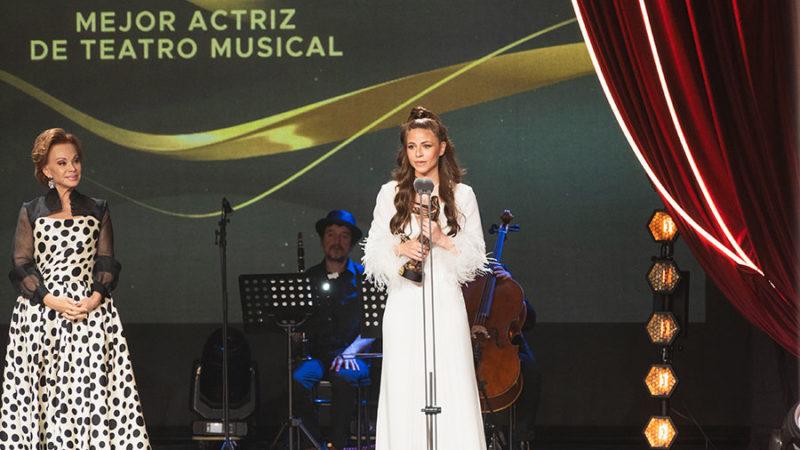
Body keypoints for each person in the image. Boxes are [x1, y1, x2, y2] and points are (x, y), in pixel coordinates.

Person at [2, 128, 150, 447]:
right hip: (43, 315)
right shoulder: (32, 210)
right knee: (46, 395)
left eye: (76, 160)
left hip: (90, 315)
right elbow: (21, 264)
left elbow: (106, 259)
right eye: (63, 162)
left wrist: (95, 297)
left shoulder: (97, 207)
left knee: (92, 393)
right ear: (46, 170)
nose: (72, 168)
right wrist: (49, 299)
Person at [363, 106, 489, 449]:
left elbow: (476, 260)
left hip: (445, 303)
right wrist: (399, 250)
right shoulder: (390, 193)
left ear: (442, 147)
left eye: (426, 145)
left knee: (451, 384)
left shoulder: (463, 195)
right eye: (412, 146)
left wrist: (442, 239)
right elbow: (372, 255)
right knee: (404, 386)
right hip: (404, 303)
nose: (419, 153)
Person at [293, 209, 375, 450]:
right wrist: (295, 334)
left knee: (343, 377)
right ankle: (314, 444)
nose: (336, 242)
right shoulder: (309, 278)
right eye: (331, 235)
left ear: (351, 243)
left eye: (343, 236)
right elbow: (300, 324)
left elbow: (373, 326)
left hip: (353, 355)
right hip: (318, 357)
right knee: (297, 380)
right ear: (322, 240)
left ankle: (338, 445)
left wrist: (351, 352)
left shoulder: (365, 277)